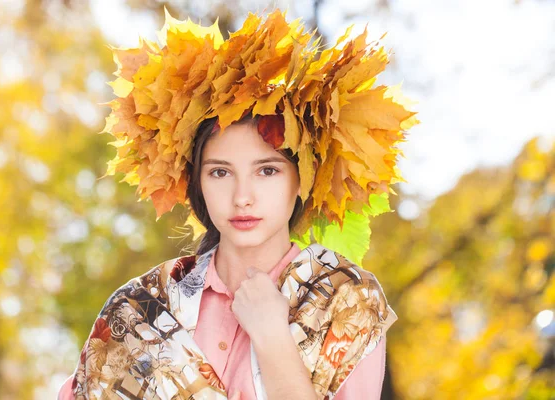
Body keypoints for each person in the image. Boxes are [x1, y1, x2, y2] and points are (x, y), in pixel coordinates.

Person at [59, 8, 416, 400]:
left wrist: (272, 336)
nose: (242, 197)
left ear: (303, 179)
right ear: (197, 182)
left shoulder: (347, 298)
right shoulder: (139, 308)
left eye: (267, 171)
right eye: (220, 173)